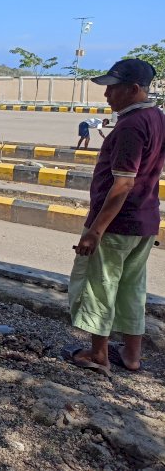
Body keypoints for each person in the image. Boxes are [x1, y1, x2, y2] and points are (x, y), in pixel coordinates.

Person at [65, 58, 164, 376]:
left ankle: (98, 354)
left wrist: (95, 231)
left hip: (117, 225)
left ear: (134, 89)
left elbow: (122, 183)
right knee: (132, 288)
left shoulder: (131, 126)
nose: (107, 95)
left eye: (113, 89)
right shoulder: (156, 117)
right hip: (145, 220)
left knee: (101, 286)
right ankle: (132, 356)